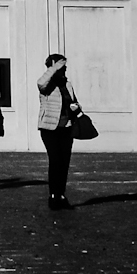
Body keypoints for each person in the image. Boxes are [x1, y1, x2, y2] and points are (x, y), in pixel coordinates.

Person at [36, 53, 77, 209]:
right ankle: (53, 195)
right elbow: (41, 83)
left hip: (66, 127)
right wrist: (54, 67)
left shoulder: (67, 84)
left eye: (64, 67)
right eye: (62, 67)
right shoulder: (47, 85)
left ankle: (61, 194)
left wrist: (76, 109)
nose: (64, 70)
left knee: (64, 162)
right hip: (49, 128)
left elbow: (73, 101)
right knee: (55, 161)